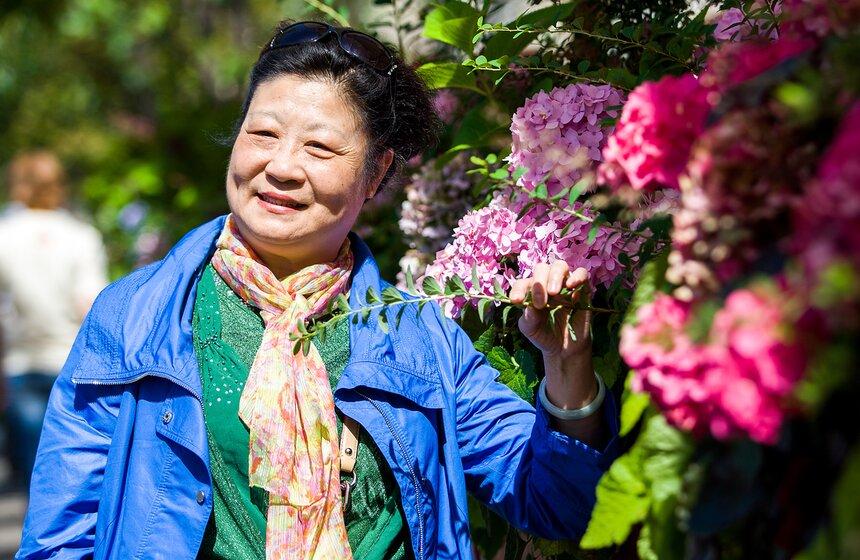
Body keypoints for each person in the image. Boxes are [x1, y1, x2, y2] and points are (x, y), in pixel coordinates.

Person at [18, 20, 619, 560]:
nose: (281, 166)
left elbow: (558, 506)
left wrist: (567, 367)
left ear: (377, 173)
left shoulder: (420, 339)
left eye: (320, 147)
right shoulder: (135, 317)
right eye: (263, 134)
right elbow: (60, 537)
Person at [0, 150, 109, 490]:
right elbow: (91, 304)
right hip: (71, 361)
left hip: (18, 361)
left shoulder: (5, 233)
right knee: (68, 470)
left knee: (31, 468)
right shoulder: (81, 235)